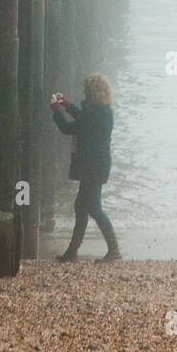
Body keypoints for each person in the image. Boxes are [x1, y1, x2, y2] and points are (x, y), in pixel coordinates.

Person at [50, 73, 121, 261]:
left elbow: (68, 128)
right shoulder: (105, 112)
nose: (84, 94)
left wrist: (56, 110)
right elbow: (83, 119)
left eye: (86, 91)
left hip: (92, 167)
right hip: (99, 165)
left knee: (93, 208)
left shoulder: (92, 114)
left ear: (91, 93)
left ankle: (113, 250)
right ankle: (72, 251)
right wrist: (67, 104)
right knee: (82, 206)